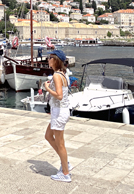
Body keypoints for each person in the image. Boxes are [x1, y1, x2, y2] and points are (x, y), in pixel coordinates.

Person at [44, 49, 72, 183]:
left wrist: (47, 88)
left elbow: (59, 96)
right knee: (48, 136)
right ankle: (65, 162)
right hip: (61, 111)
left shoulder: (56, 75)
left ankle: (65, 173)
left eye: (50, 57)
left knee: (60, 143)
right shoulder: (63, 74)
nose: (48, 60)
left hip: (59, 112)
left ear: (55, 60)